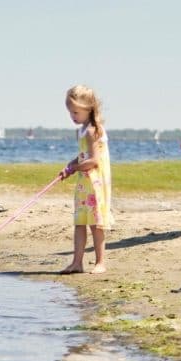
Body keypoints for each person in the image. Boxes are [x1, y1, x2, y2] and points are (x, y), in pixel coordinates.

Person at [57, 84, 113, 274]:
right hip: (84, 184)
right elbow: (83, 156)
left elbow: (94, 161)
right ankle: (77, 262)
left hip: (94, 183)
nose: (72, 116)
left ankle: (100, 262)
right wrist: (69, 166)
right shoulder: (81, 131)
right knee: (80, 222)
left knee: (95, 224)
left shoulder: (92, 131)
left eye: (75, 112)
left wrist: (75, 168)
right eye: (70, 112)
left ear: (88, 108)